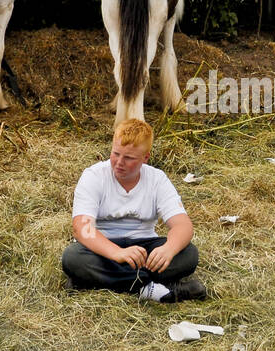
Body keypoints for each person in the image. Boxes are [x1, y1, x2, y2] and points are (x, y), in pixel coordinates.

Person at [62, 118, 207, 302]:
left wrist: (168, 249)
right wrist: (117, 253)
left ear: (145, 158)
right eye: (115, 154)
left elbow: (183, 225)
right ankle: (158, 290)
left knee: (188, 254)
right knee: (73, 258)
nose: (119, 162)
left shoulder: (157, 179)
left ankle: (91, 282)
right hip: (103, 248)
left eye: (129, 158)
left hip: (144, 248)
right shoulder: (94, 176)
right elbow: (82, 228)